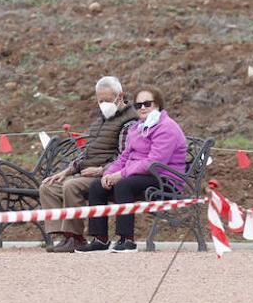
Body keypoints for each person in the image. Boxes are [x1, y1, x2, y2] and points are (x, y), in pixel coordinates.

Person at [78, 86, 186, 253]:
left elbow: (154, 161)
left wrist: (121, 175)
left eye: (147, 104)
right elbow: (124, 157)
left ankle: (126, 239)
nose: (142, 108)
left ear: (157, 105)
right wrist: (108, 174)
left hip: (164, 177)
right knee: (97, 186)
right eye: (138, 105)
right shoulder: (136, 128)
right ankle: (100, 239)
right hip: (139, 175)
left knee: (124, 184)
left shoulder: (166, 127)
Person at [38, 76, 140, 252]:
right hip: (86, 172)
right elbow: (87, 151)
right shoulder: (101, 120)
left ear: (120, 96)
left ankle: (77, 237)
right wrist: (68, 170)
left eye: (107, 100)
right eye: (100, 100)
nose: (103, 104)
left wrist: (102, 170)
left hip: (107, 175)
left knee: (71, 186)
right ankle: (65, 235)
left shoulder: (129, 122)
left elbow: (126, 156)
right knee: (48, 186)